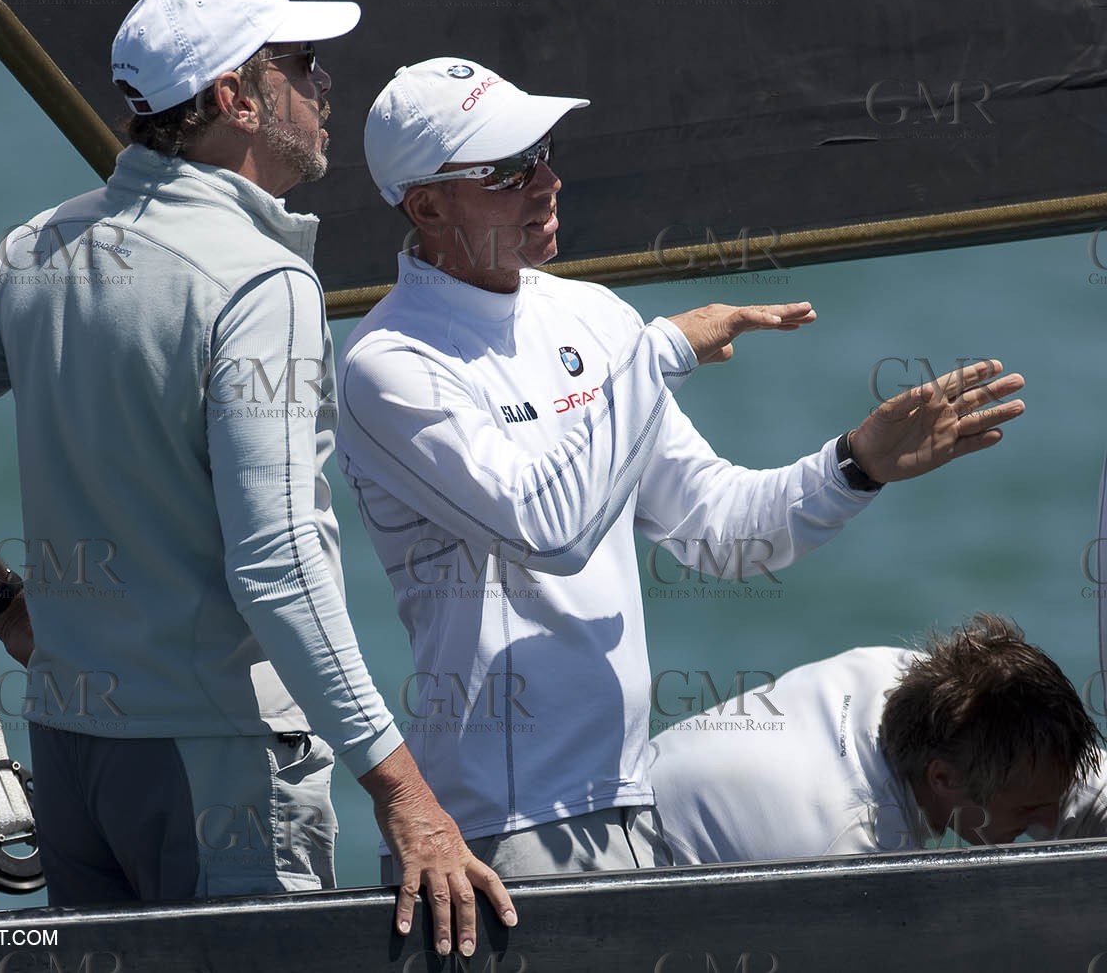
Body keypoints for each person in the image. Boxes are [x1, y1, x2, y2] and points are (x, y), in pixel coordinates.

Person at [0, 0, 512, 955]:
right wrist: (404, 791)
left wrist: (3, 605)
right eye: (303, 66)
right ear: (238, 99)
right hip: (221, 770)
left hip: (74, 766)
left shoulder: (38, 248)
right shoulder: (261, 280)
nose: (325, 87)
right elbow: (278, 566)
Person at [335, 56, 1028, 881]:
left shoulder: (589, 313)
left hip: (629, 803)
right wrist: (661, 351)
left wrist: (854, 465)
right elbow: (544, 527)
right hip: (497, 829)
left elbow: (718, 528)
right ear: (427, 205)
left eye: (546, 149)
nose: (548, 179)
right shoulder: (388, 363)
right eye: (512, 167)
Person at [646, 613, 1103, 861]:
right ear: (942, 778)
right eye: (1026, 809)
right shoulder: (853, 849)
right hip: (607, 879)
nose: (1047, 824)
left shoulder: (918, 678)